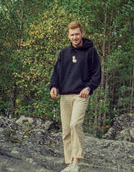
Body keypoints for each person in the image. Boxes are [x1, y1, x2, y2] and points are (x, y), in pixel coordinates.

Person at [49, 21, 101, 172]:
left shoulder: (91, 52)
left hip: (81, 95)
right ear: (68, 35)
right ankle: (70, 163)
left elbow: (97, 74)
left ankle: (76, 162)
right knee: (66, 130)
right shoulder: (64, 53)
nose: (75, 37)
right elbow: (56, 72)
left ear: (82, 34)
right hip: (65, 95)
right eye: (72, 35)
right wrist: (53, 86)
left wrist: (89, 87)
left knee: (75, 125)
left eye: (77, 34)